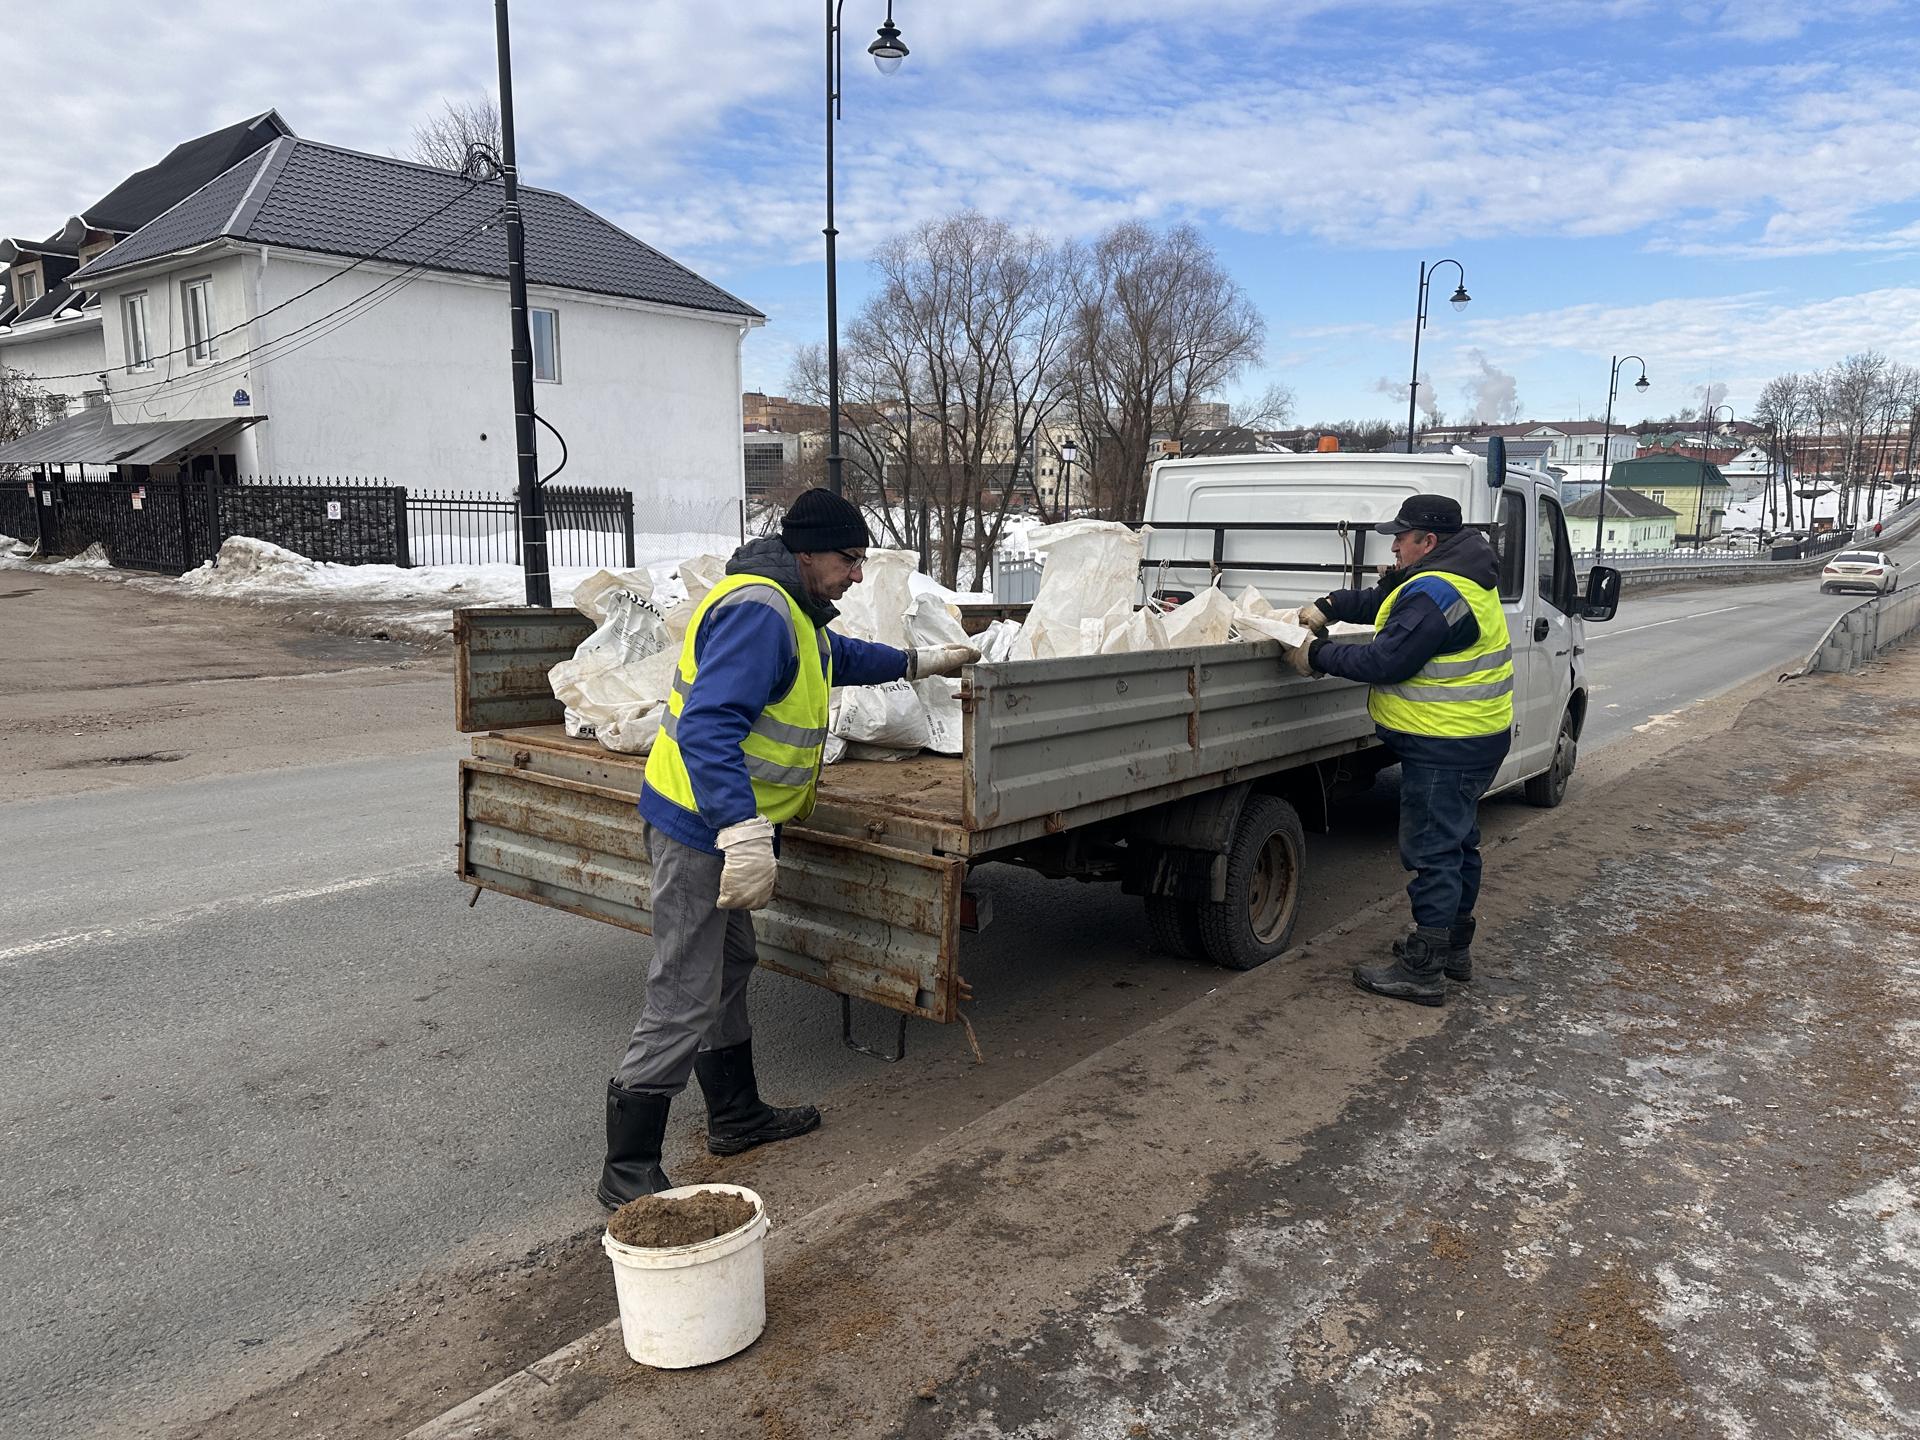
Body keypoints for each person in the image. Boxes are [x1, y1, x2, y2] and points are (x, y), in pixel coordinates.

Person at [598, 489, 979, 1208]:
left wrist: (919, 661)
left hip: (719, 821)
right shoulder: (759, 612)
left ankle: (736, 1115)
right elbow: (710, 728)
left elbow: (834, 656)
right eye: (849, 558)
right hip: (700, 824)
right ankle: (627, 1169)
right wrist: (741, 831)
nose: (858, 574)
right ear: (807, 551)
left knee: (729, 962)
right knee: (684, 985)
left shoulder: (790, 609)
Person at [1278, 493, 1513, 1008]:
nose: (1394, 545)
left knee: (1433, 851)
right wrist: (1333, 606)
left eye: (1400, 537)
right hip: (1472, 737)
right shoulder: (1455, 574)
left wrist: (1315, 653)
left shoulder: (1438, 594)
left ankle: (1423, 969)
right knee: (1456, 846)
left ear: (1427, 542)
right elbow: (1386, 602)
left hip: (1446, 743)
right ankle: (1452, 951)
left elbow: (1387, 660)